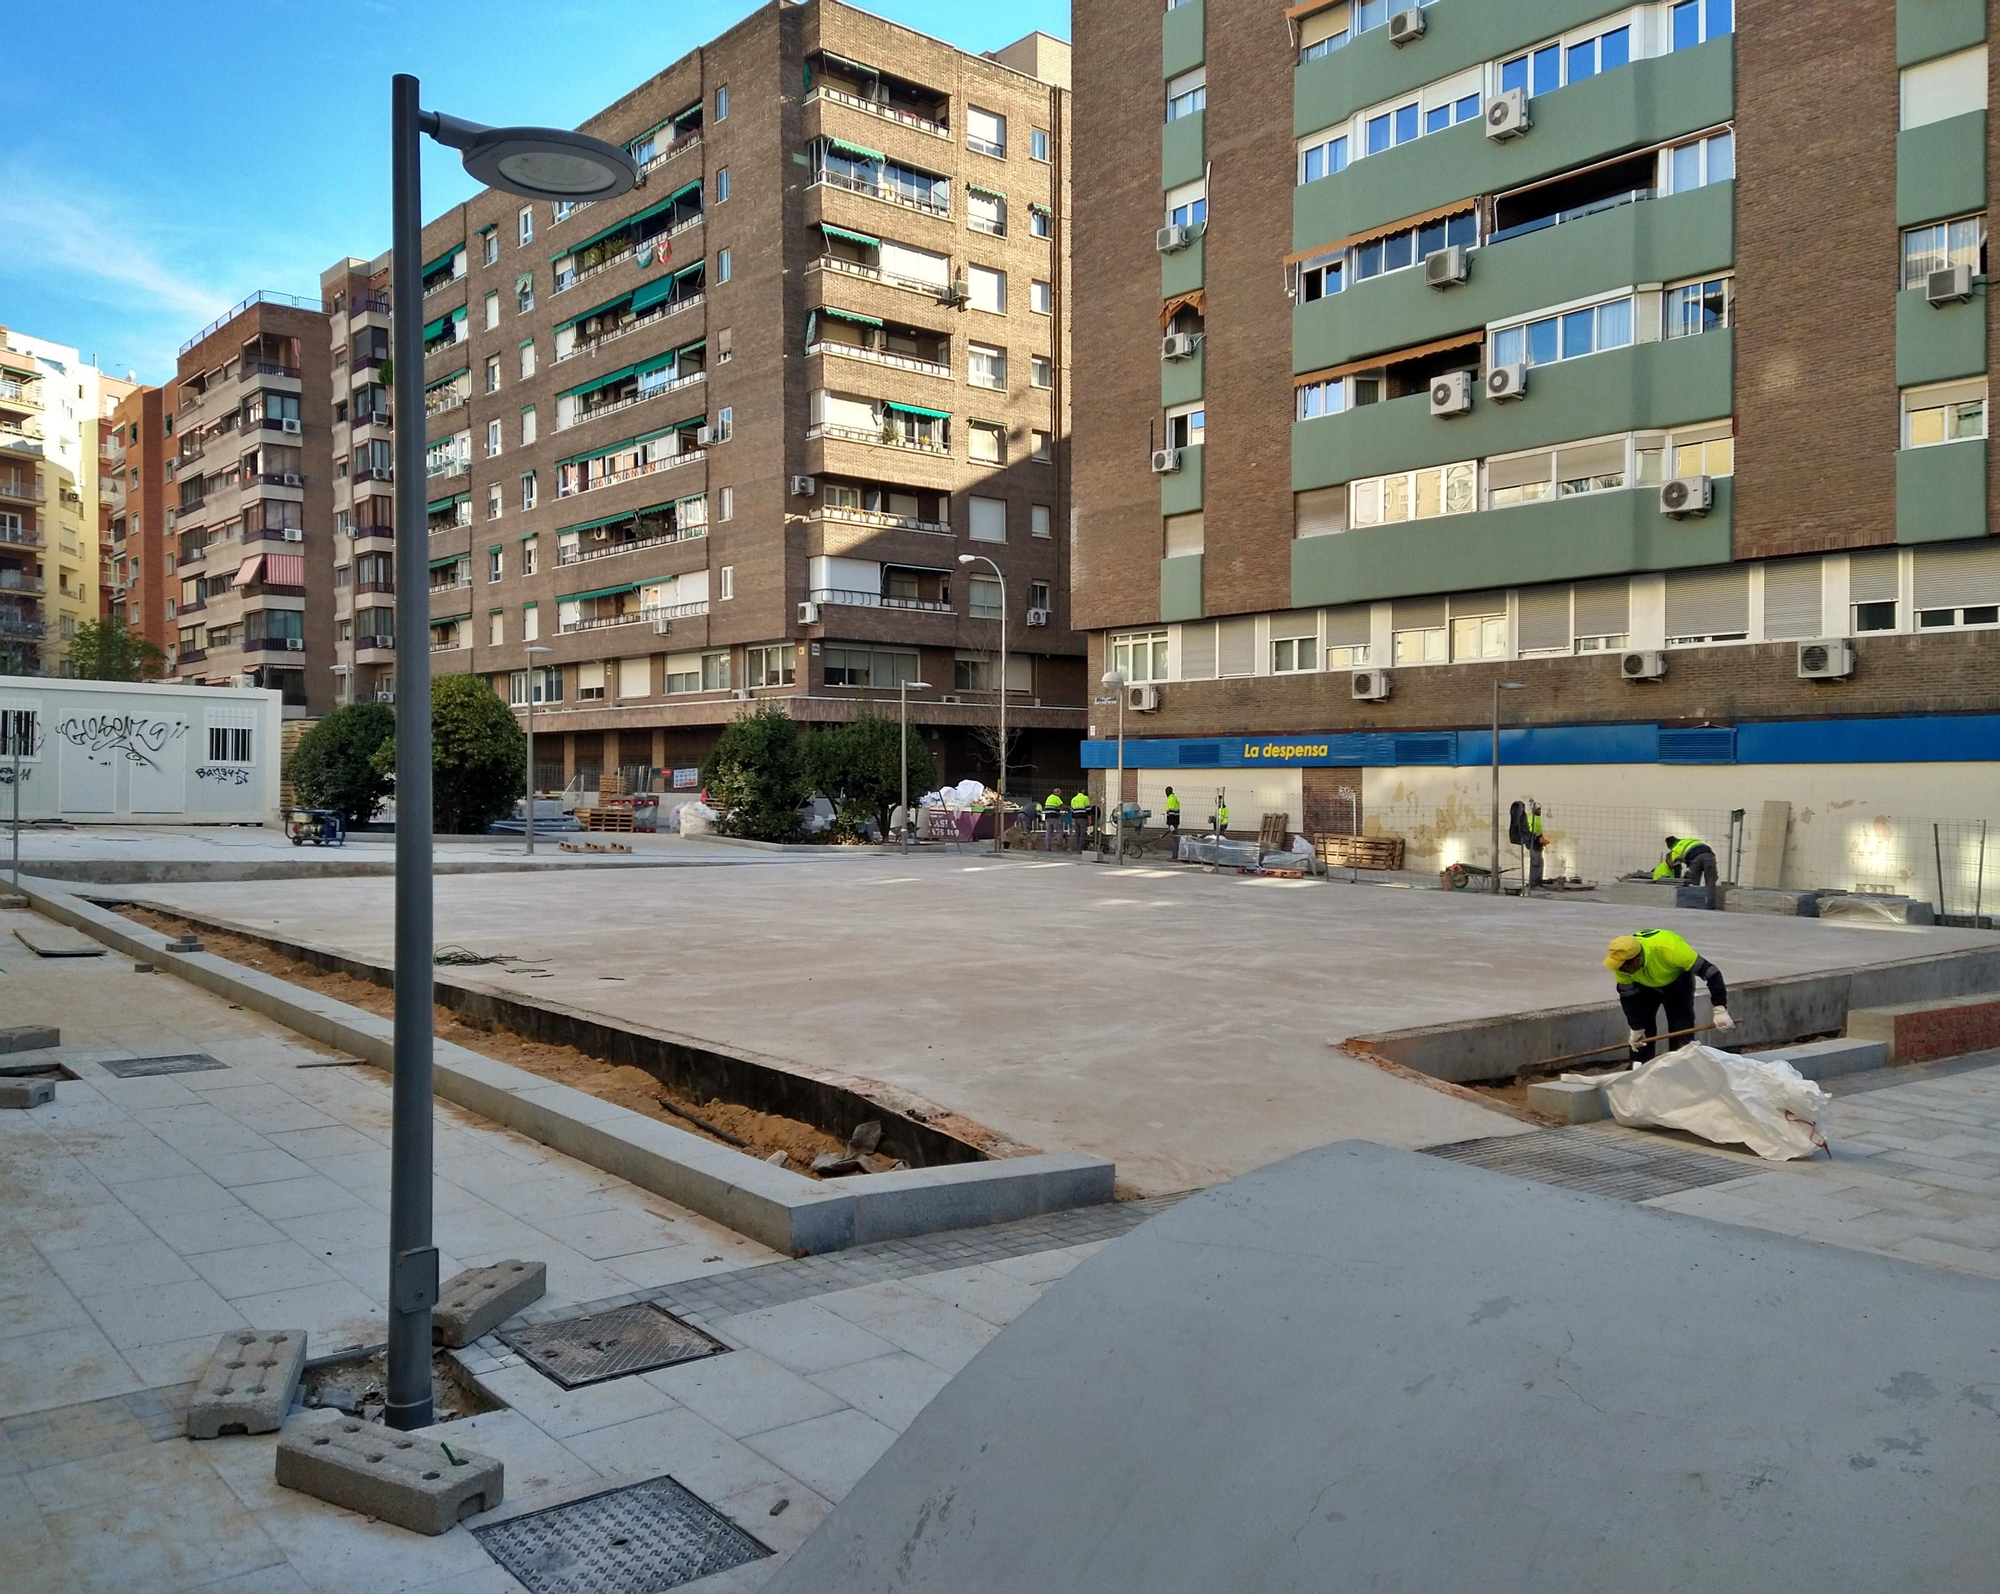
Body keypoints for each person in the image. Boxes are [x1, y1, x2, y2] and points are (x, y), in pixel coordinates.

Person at [1604, 930, 1734, 1066]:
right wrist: (1636, 1026)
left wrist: (1720, 1008)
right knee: (1643, 1036)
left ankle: (1682, 1067)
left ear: (1637, 960)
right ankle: (1639, 1068)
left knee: (1681, 1029)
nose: (1620, 970)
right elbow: (1628, 997)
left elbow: (1712, 973)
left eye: (1623, 967)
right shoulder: (1621, 966)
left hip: (1678, 983)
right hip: (1644, 987)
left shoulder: (1670, 949)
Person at [1069, 786, 1091, 852]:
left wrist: (1073, 820)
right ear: (1083, 791)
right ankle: (1081, 848)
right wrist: (1089, 819)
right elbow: (1088, 810)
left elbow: (1072, 811)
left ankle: (1076, 846)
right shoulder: (1085, 798)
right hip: (1082, 818)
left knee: (1077, 833)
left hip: (1076, 818)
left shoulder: (1073, 799)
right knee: (1083, 833)